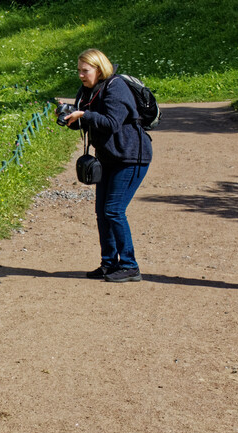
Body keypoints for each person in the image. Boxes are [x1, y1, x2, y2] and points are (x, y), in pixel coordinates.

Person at [60, 48, 152, 282]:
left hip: (131, 156)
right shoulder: (87, 90)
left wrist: (84, 115)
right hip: (108, 157)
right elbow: (87, 121)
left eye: (85, 70)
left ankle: (130, 266)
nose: (80, 75)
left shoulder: (116, 87)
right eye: (78, 70)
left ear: (99, 69)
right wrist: (70, 117)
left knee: (113, 209)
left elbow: (111, 123)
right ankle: (109, 263)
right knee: (102, 212)